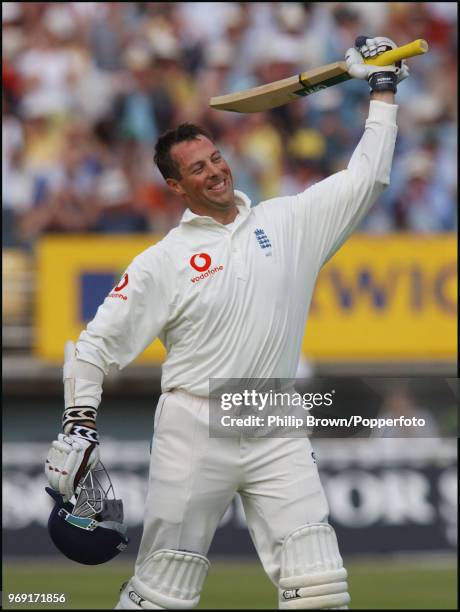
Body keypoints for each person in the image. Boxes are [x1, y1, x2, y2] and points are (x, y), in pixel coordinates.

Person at [45, 37, 408, 609]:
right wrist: (79, 424)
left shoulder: (288, 222)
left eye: (215, 158)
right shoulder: (160, 262)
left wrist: (382, 91)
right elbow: (94, 348)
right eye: (197, 168)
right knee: (164, 591)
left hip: (273, 419)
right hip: (194, 426)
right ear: (175, 186)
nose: (214, 171)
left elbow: (367, 179)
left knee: (320, 586)